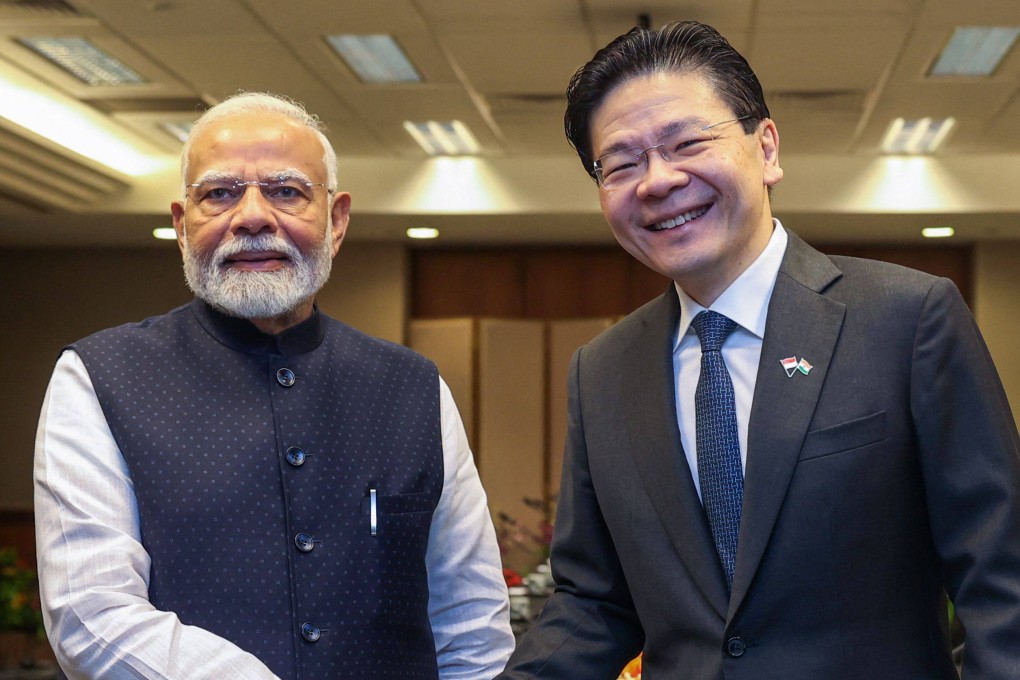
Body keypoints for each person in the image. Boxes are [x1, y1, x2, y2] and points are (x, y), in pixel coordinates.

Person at [500, 20, 1020, 679]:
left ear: (766, 147)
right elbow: (592, 602)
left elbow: (1000, 576)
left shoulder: (907, 319)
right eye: (622, 163)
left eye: (686, 142)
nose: (657, 181)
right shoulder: (600, 372)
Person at [34, 92, 514, 679]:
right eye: (219, 193)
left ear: (335, 222)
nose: (253, 216)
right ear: (182, 227)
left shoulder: (413, 387)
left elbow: (471, 623)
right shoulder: (98, 377)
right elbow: (90, 612)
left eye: (286, 191)